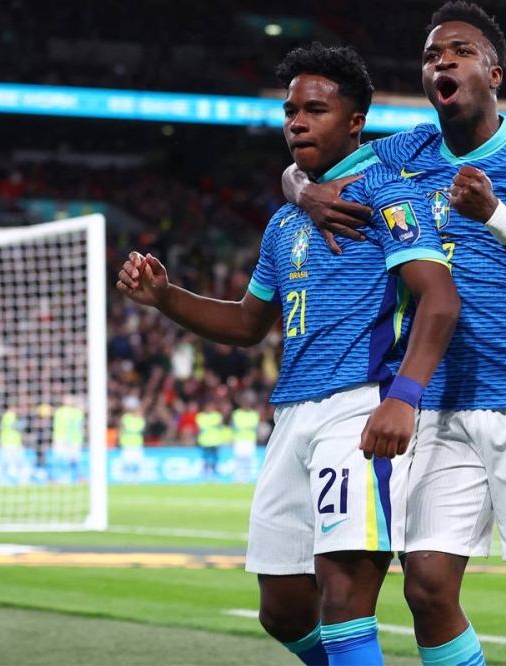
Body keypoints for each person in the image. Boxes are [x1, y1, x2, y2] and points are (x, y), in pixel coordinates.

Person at [118, 43, 458, 666]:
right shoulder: (284, 222)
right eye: (290, 111)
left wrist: (404, 398)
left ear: (355, 121)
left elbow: (439, 298)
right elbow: (248, 322)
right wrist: (166, 297)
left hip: (360, 407)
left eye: (315, 110)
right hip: (292, 415)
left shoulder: (387, 192)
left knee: (344, 595)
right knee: (282, 608)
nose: (297, 122)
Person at [285, 5, 506, 665]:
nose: (442, 61)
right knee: (426, 588)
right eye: (431, 55)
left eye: (459, 51)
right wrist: (304, 193)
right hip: (439, 404)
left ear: (494, 73)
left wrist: (495, 214)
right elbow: (313, 160)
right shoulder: (406, 151)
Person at [52, 395, 86, 483]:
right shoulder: (60, 411)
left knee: (75, 459)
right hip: (62, 439)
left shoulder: (76, 412)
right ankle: (55, 478)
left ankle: (79, 477)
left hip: (73, 440)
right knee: (59, 459)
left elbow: (79, 427)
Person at [232, 391, 261, 483]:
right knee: (239, 460)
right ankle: (238, 478)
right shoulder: (236, 413)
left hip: (250, 440)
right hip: (239, 440)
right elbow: (236, 426)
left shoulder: (254, 414)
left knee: (249, 460)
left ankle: (249, 479)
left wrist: (245, 426)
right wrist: (247, 426)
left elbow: (254, 426)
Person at [118, 396, 146, 482]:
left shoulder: (140, 419)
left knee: (136, 464)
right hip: (127, 444)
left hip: (137, 444)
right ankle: (126, 479)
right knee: (126, 463)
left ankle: (136, 480)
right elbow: (120, 431)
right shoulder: (125, 418)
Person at [196, 400, 224, 479]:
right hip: (205, 441)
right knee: (205, 458)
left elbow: (219, 426)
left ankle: (215, 473)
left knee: (215, 458)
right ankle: (205, 474)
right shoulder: (200, 416)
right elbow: (200, 428)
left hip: (215, 441)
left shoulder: (217, 416)